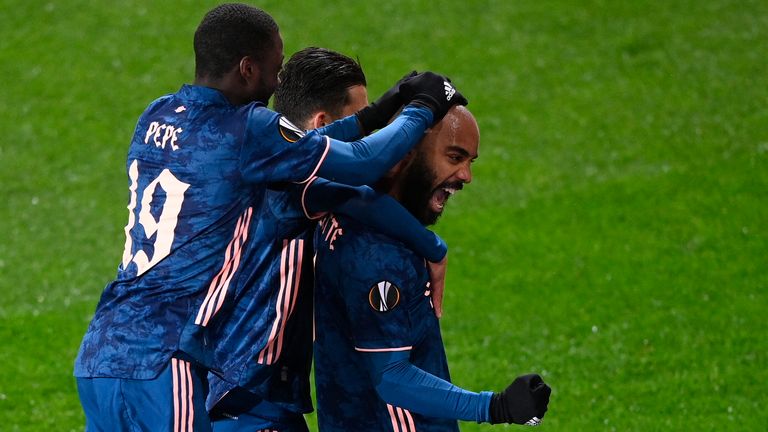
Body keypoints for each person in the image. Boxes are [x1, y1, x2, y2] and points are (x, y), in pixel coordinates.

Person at [73, 3, 466, 431]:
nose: (279, 83)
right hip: (166, 359)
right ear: (247, 69)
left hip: (100, 352)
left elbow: (302, 148)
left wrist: (376, 112)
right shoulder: (249, 128)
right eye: (275, 69)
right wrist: (424, 103)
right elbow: (360, 166)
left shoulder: (157, 113)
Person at [207, 47, 451, 431]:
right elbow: (360, 180)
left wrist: (380, 109)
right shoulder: (297, 185)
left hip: (227, 394)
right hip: (244, 402)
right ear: (321, 120)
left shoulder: (244, 164)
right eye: (363, 125)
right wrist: (434, 248)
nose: (372, 138)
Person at [313, 105, 552, 431]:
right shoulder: (379, 257)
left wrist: (431, 245)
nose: (466, 176)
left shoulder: (343, 207)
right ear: (405, 152)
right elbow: (391, 377)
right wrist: (496, 406)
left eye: (470, 162)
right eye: (455, 158)